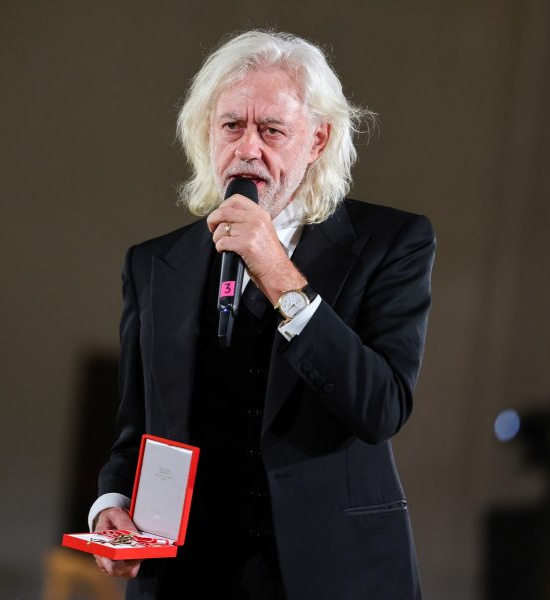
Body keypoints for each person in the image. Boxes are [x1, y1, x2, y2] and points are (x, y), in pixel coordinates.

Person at [87, 30, 435, 600]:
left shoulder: (391, 242)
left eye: (272, 130)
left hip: (334, 572)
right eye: (231, 126)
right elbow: (139, 430)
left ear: (317, 139)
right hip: (192, 573)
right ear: (207, 133)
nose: (248, 149)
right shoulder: (154, 265)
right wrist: (113, 503)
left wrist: (276, 269)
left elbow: (381, 407)